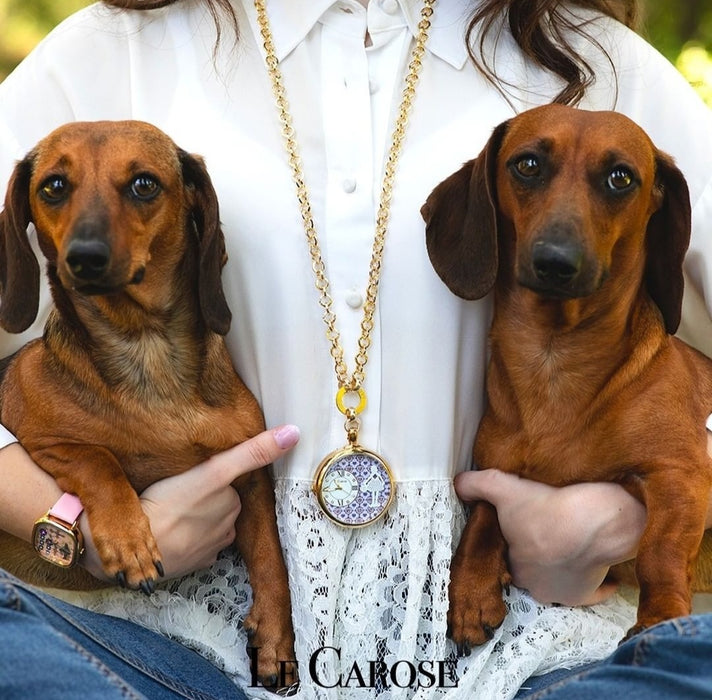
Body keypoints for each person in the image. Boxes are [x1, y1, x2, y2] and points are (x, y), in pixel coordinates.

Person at [0, 0, 711, 698]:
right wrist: (67, 526)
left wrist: (619, 525)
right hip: (165, 637)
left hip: (532, 644)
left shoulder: (598, 60)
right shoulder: (112, 48)